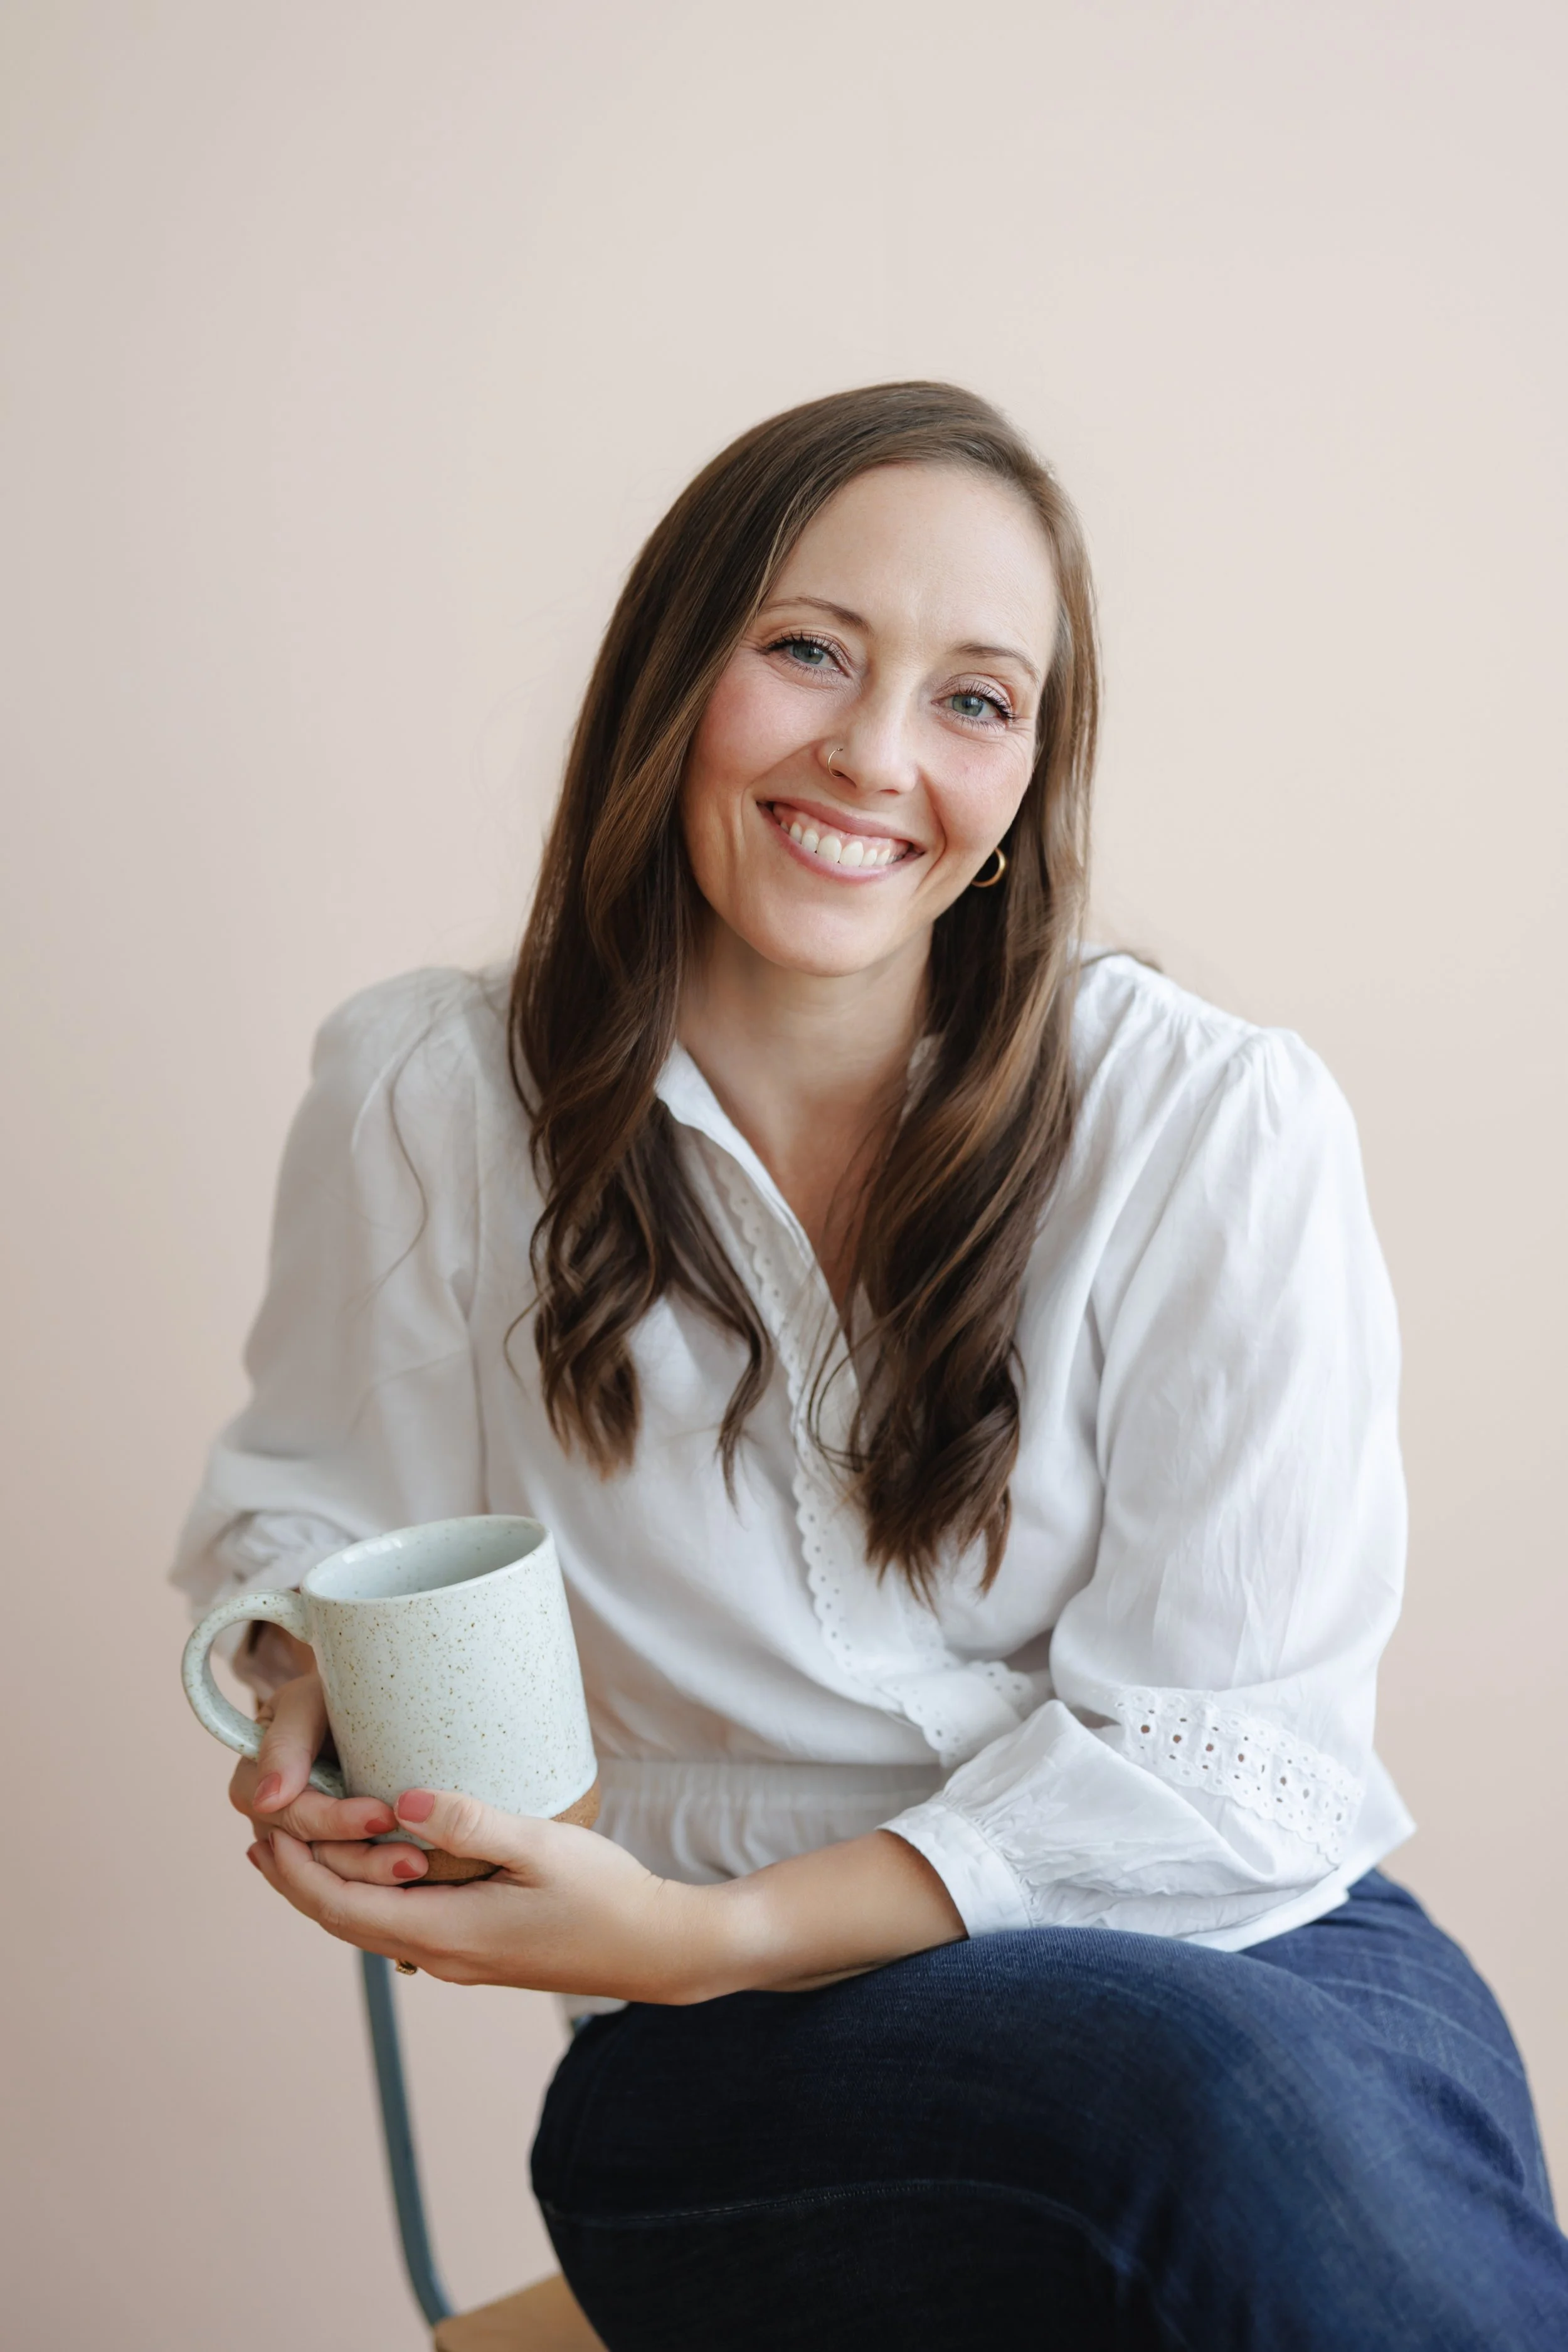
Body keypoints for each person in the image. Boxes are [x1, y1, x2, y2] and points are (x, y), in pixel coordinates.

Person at [174, 382, 1567, 2349]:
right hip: (747, 2049)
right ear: (674, 678)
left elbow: (1228, 1762)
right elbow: (318, 1500)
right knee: (1194, 2120)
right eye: (808, 650)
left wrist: (703, 1921)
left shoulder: (1209, 1128)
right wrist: (305, 1652)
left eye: (975, 698)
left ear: (1027, 785)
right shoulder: (434, 1097)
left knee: (1294, 2146)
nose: (876, 752)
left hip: (1270, 1965)